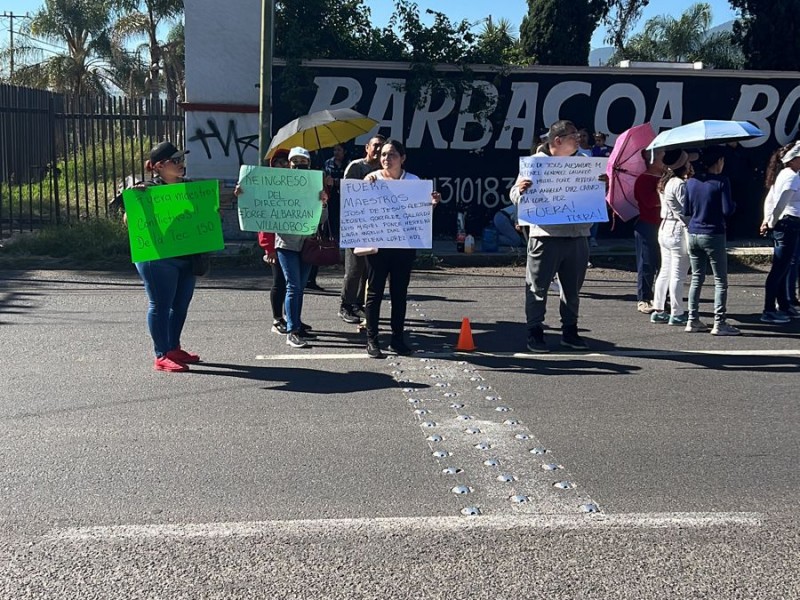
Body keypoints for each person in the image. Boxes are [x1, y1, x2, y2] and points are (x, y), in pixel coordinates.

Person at [509, 120, 591, 353]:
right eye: (574, 135)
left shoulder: (584, 162)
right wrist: (520, 190)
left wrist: (600, 185)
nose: (579, 139)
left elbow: (595, 194)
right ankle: (535, 332)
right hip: (545, 234)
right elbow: (514, 194)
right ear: (558, 140)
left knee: (573, 289)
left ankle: (570, 331)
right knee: (537, 287)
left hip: (577, 234)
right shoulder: (535, 164)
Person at [125, 141, 201, 372]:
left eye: (182, 159)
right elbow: (130, 222)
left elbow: (205, 213)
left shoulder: (189, 187)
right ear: (159, 166)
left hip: (186, 255)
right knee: (160, 304)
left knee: (180, 304)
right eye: (175, 160)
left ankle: (173, 347)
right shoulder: (145, 188)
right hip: (158, 257)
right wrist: (133, 202)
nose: (181, 164)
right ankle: (161, 354)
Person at [362, 139, 441, 358]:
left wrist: (431, 204)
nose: (386, 158)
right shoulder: (372, 179)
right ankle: (372, 339)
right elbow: (361, 209)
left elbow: (421, 215)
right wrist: (364, 188)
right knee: (375, 293)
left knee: (399, 293)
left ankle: (397, 339)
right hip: (378, 245)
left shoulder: (414, 181)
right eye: (384, 155)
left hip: (404, 246)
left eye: (392, 155)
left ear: (403, 158)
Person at [275, 147, 328, 348]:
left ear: (309, 164)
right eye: (295, 161)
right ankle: (292, 331)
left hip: (307, 243)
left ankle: (296, 323)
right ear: (289, 164)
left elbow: (323, 219)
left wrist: (323, 203)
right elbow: (263, 208)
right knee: (293, 286)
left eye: (303, 161)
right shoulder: (279, 185)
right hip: (287, 243)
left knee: (299, 287)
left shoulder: (315, 186)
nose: (299, 164)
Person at [683, 145, 739, 335]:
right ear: (718, 162)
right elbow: (727, 210)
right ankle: (719, 322)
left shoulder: (691, 182)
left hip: (693, 232)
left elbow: (686, 211)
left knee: (697, 277)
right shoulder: (722, 181)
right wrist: (734, 205)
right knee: (720, 280)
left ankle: (692, 319)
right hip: (713, 233)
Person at [338, 134, 386, 324]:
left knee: (367, 270)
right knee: (354, 269)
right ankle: (345, 306)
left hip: (376, 227)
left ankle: (358, 304)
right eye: (375, 146)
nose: (378, 150)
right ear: (367, 147)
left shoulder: (385, 170)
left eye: (382, 147)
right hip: (355, 226)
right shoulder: (356, 167)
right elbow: (349, 194)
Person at [650, 149, 696, 325]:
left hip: (664, 228)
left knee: (665, 271)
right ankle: (677, 312)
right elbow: (686, 211)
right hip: (677, 229)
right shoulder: (679, 184)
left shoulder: (665, 181)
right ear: (683, 165)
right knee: (678, 274)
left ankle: (659, 308)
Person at [759, 140, 800, 323]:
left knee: (783, 267)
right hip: (788, 223)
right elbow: (781, 202)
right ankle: (768, 309)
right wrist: (771, 222)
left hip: (786, 223)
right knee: (779, 268)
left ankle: (783, 305)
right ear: (792, 160)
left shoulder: (784, 173)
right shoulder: (791, 176)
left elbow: (770, 198)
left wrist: (767, 220)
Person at [257, 149, 290, 335]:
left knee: (294, 285)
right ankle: (277, 319)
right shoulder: (267, 188)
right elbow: (264, 221)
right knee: (280, 282)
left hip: (295, 243)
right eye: (280, 162)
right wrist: (268, 248)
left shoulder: (297, 186)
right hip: (277, 245)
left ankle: (292, 317)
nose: (284, 166)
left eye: (287, 162)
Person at [633, 149, 665, 314]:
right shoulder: (643, 180)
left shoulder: (666, 178)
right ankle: (643, 298)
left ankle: (661, 298)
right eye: (661, 157)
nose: (665, 161)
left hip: (663, 226)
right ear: (652, 161)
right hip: (647, 225)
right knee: (646, 263)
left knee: (663, 264)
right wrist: (661, 192)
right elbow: (649, 202)